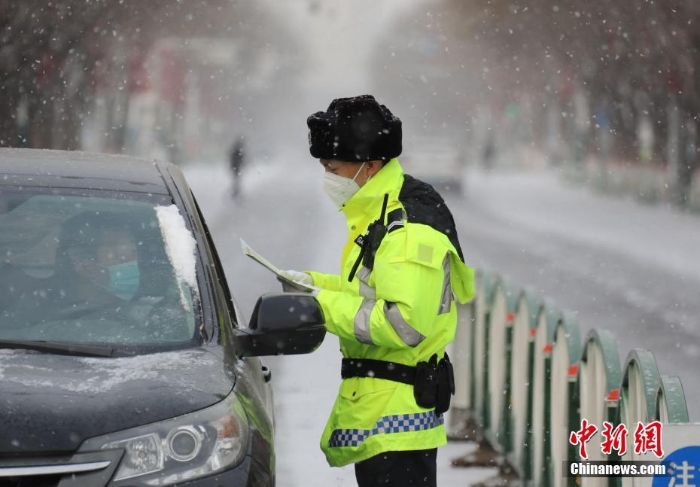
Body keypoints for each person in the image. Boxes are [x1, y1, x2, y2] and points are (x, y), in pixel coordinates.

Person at [279, 95, 475, 487]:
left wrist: (320, 306)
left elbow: (403, 323)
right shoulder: (379, 214)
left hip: (396, 420)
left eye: (333, 168)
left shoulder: (406, 228)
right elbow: (369, 291)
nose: (327, 177)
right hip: (381, 414)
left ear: (369, 167)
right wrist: (314, 285)